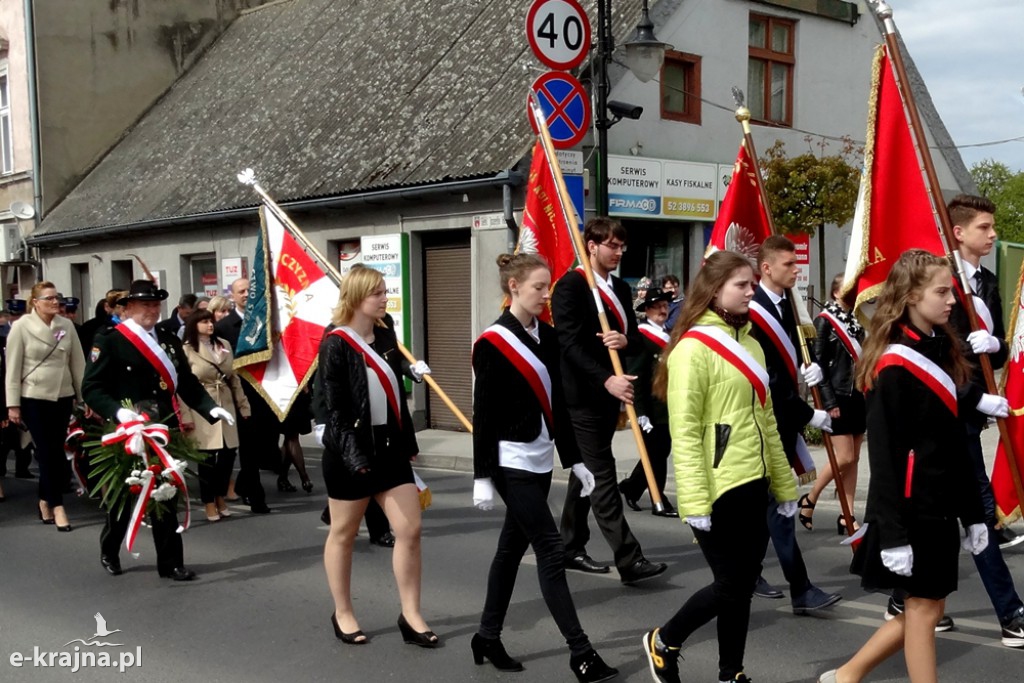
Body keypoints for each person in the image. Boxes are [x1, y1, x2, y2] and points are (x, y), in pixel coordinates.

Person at [818, 249, 994, 683]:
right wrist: (892, 534)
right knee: (922, 608)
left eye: (950, 290)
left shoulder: (940, 346)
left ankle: (847, 675)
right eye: (941, 291)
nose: (951, 300)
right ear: (912, 295)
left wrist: (973, 514)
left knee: (931, 606)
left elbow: (954, 445)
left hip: (941, 500)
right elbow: (886, 455)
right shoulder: (893, 363)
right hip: (912, 508)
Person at [642, 251, 799, 683]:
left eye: (752, 284)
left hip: (756, 480)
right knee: (730, 584)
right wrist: (693, 499)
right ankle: (664, 640)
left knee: (743, 586)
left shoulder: (750, 343)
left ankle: (732, 672)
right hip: (717, 486)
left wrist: (785, 486)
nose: (751, 292)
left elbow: (766, 420)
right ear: (714, 291)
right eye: (742, 285)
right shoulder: (692, 348)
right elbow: (686, 430)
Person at [471, 253, 618, 683]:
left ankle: (487, 636)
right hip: (508, 462)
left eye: (548, 286)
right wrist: (482, 476)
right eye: (538, 287)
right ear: (513, 287)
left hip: (538, 458)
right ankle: (582, 653)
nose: (545, 294)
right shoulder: (491, 345)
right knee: (551, 550)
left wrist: (575, 460)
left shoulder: (548, 337)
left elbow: (558, 404)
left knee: (509, 551)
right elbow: (483, 416)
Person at [892, 193, 1024, 645]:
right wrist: (974, 398)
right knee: (978, 514)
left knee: (966, 515)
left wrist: (995, 347)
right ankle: (1010, 613)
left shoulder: (985, 281)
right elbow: (931, 359)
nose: (992, 235)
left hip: (970, 415)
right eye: (984, 228)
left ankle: (905, 596)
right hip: (947, 412)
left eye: (992, 227)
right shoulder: (936, 281)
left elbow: (999, 346)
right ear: (959, 232)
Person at [83, 280, 234, 580]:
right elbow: (92, 387)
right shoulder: (110, 339)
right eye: (145, 305)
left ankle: (170, 562)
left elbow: (186, 382)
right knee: (126, 497)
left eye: (155, 305)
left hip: (163, 428)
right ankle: (110, 549)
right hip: (128, 432)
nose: (152, 310)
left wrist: (208, 407)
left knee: (165, 494)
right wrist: (118, 411)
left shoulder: (167, 339)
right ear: (128, 309)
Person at [318, 264, 436, 646]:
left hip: (389, 447)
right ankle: (343, 612)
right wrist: (355, 459)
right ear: (356, 298)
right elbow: (335, 409)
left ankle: (411, 614)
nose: (386, 298)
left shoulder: (386, 333)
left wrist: (412, 370)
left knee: (410, 530)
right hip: (350, 450)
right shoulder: (334, 342)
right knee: (345, 533)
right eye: (378, 293)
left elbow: (391, 377)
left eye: (385, 291)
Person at [553, 217, 667, 584]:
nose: (618, 253)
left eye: (622, 247)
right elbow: (569, 345)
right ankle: (629, 559)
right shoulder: (570, 286)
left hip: (610, 395)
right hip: (584, 396)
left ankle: (569, 544)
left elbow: (633, 338)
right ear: (591, 246)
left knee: (585, 471)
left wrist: (623, 340)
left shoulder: (618, 286)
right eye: (611, 246)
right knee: (602, 475)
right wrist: (606, 380)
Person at [748, 235, 841, 613]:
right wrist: (809, 415)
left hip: (784, 420)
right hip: (769, 421)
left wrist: (809, 371)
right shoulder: (755, 312)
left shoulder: (786, 302)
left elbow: (788, 362)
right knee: (779, 505)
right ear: (767, 268)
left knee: (767, 505)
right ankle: (800, 589)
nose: (795, 269)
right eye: (788, 264)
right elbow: (767, 379)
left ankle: (748, 572)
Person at [5, 282, 86, 532]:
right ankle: (57, 505)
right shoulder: (21, 327)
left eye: (56, 298)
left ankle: (44, 499)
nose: (54, 303)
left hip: (62, 395)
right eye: (49, 298)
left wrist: (84, 398)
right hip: (33, 396)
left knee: (55, 451)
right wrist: (13, 404)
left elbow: (77, 364)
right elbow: (13, 367)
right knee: (47, 451)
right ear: (36, 302)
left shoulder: (67, 326)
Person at [799, 274, 866, 533]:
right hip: (837, 395)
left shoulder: (857, 322)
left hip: (858, 394)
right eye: (850, 291)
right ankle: (811, 497)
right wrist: (827, 402)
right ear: (837, 293)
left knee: (855, 458)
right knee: (844, 456)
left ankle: (846, 515)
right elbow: (819, 366)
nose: (855, 295)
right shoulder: (824, 322)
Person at [179, 310, 250, 522]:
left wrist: (243, 406)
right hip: (202, 405)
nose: (210, 325)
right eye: (204, 321)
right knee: (207, 458)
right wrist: (186, 415)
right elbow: (183, 386)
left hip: (226, 402)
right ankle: (208, 500)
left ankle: (220, 495)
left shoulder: (224, 345)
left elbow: (234, 378)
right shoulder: (187, 349)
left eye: (211, 321)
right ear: (194, 325)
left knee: (228, 455)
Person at [215, 277, 273, 514]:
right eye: (242, 291)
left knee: (262, 445)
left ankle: (242, 484)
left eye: (250, 289)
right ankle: (255, 495)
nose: (247, 294)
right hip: (238, 393)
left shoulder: (265, 320)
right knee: (247, 445)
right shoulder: (223, 326)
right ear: (233, 295)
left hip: (264, 391)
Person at [618, 287, 677, 517]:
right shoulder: (642, 337)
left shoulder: (668, 335)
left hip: (665, 406)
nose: (663, 310)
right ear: (647, 310)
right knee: (655, 454)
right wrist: (640, 412)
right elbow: (636, 377)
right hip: (649, 409)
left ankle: (631, 488)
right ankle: (658, 499)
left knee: (658, 453)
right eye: (657, 307)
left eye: (665, 306)